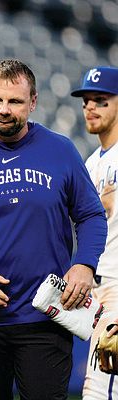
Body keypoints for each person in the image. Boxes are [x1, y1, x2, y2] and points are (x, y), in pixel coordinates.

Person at [0, 58, 108, 400]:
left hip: (46, 317)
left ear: (32, 103)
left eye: (15, 102)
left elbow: (91, 215)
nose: (4, 110)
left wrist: (84, 263)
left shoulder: (60, 150)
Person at [71, 66, 118, 399]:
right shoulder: (90, 163)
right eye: (86, 100)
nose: (90, 107)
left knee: (102, 391)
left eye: (101, 100)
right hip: (97, 290)